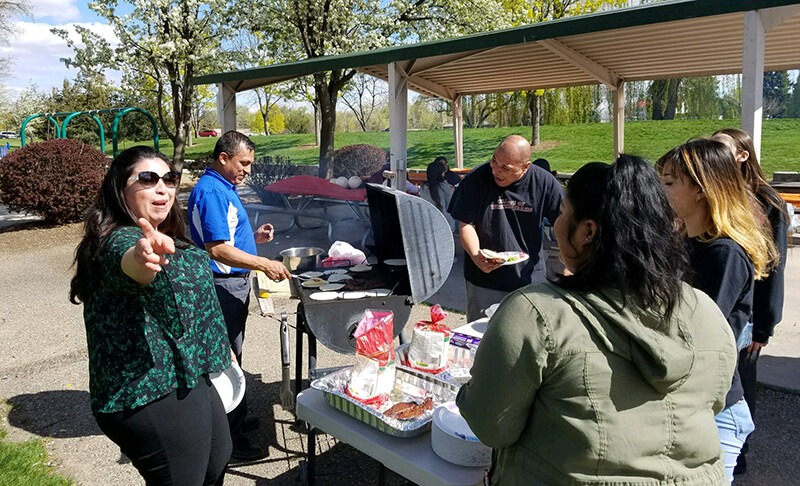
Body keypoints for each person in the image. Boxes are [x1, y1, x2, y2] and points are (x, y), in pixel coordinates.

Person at [456, 156, 737, 485]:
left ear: (587, 231)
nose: (557, 224)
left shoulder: (536, 312)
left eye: (562, 213)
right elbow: (712, 403)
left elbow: (491, 426)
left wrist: (469, 390)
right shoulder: (706, 311)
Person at [69, 146, 233, 484]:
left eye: (169, 179)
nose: (163, 187)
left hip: (186, 374)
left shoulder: (170, 237)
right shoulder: (118, 241)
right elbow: (131, 265)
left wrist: (217, 346)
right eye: (148, 179)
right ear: (120, 188)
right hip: (146, 390)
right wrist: (144, 259)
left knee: (217, 461)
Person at [657, 139, 778, 483]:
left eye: (669, 182)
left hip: (717, 410)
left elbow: (690, 333)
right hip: (693, 404)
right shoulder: (686, 242)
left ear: (700, 189)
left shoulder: (723, 254)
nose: (661, 191)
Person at [188, 131, 291, 462]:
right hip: (222, 285)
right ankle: (227, 439)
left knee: (233, 352)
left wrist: (254, 240)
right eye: (243, 163)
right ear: (223, 158)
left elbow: (227, 240)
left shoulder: (223, 188)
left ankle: (236, 415)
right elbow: (216, 249)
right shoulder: (213, 193)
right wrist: (263, 263)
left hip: (231, 282)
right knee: (224, 360)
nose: (247, 169)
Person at [711, 128, 789, 475]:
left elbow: (775, 267)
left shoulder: (767, 202)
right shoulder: (718, 196)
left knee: (741, 386)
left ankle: (738, 454)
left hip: (749, 315)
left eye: (720, 148)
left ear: (742, 155)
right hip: (729, 306)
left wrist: (766, 324)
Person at [448, 134, 562, 321]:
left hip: (529, 279)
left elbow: (564, 224)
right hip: (483, 280)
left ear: (525, 167)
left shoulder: (544, 183)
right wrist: (476, 255)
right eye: (494, 161)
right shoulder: (477, 178)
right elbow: (466, 223)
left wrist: (569, 262)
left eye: (505, 168)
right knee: (481, 340)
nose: (495, 170)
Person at [419, 160, 457, 233]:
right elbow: (450, 205)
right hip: (446, 223)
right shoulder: (444, 187)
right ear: (440, 174)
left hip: (427, 223)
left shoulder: (423, 187)